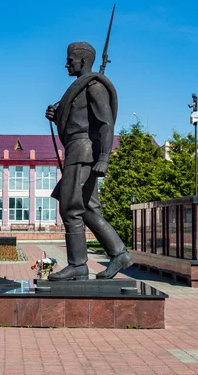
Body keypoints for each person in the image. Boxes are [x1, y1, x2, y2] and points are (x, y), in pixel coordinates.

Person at [45, 41, 132, 281]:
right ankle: (119, 253)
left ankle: (78, 265)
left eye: (70, 60)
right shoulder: (79, 88)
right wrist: (57, 116)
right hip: (77, 150)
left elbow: (106, 123)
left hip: (84, 153)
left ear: (82, 61)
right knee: (88, 208)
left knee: (71, 209)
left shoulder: (94, 86)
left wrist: (104, 157)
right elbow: (77, 121)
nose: (66, 64)